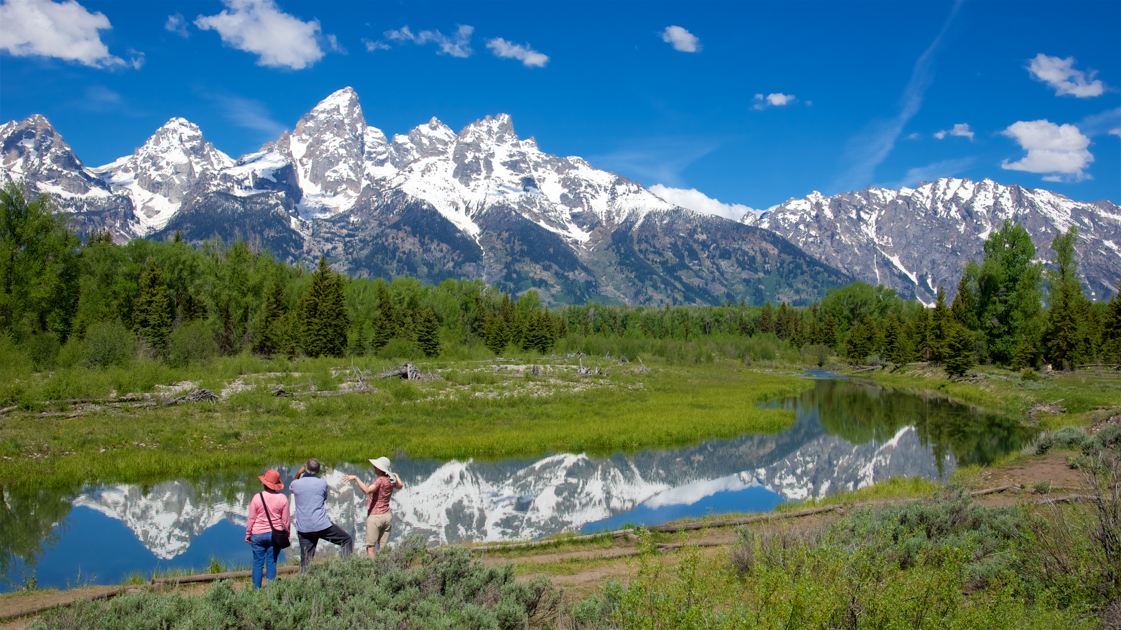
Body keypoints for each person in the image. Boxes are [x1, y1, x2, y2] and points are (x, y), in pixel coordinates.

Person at [289, 458, 353, 572]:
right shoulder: (322, 483)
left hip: (304, 527)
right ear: (318, 470)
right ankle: (346, 571)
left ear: (305, 469)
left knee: (306, 560)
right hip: (321, 525)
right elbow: (324, 497)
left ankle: (304, 583)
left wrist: (299, 473)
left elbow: (292, 486)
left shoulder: (296, 484)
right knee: (346, 540)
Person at [344, 456, 403, 558]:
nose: (374, 468)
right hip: (387, 516)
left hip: (375, 517)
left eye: (376, 467)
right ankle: (383, 569)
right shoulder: (391, 480)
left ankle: (372, 572)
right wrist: (396, 475)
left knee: (371, 548)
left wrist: (356, 478)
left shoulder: (380, 480)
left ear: (381, 469)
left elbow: (367, 490)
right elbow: (400, 485)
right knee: (383, 548)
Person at [245, 469, 290, 589]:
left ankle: (256, 591)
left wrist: (248, 533)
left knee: (258, 563)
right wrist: (287, 534)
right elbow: (285, 521)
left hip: (257, 534)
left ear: (264, 483)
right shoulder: (283, 498)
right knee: (271, 562)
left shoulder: (257, 497)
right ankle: (270, 592)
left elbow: (251, 519)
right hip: (275, 535)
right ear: (276, 485)